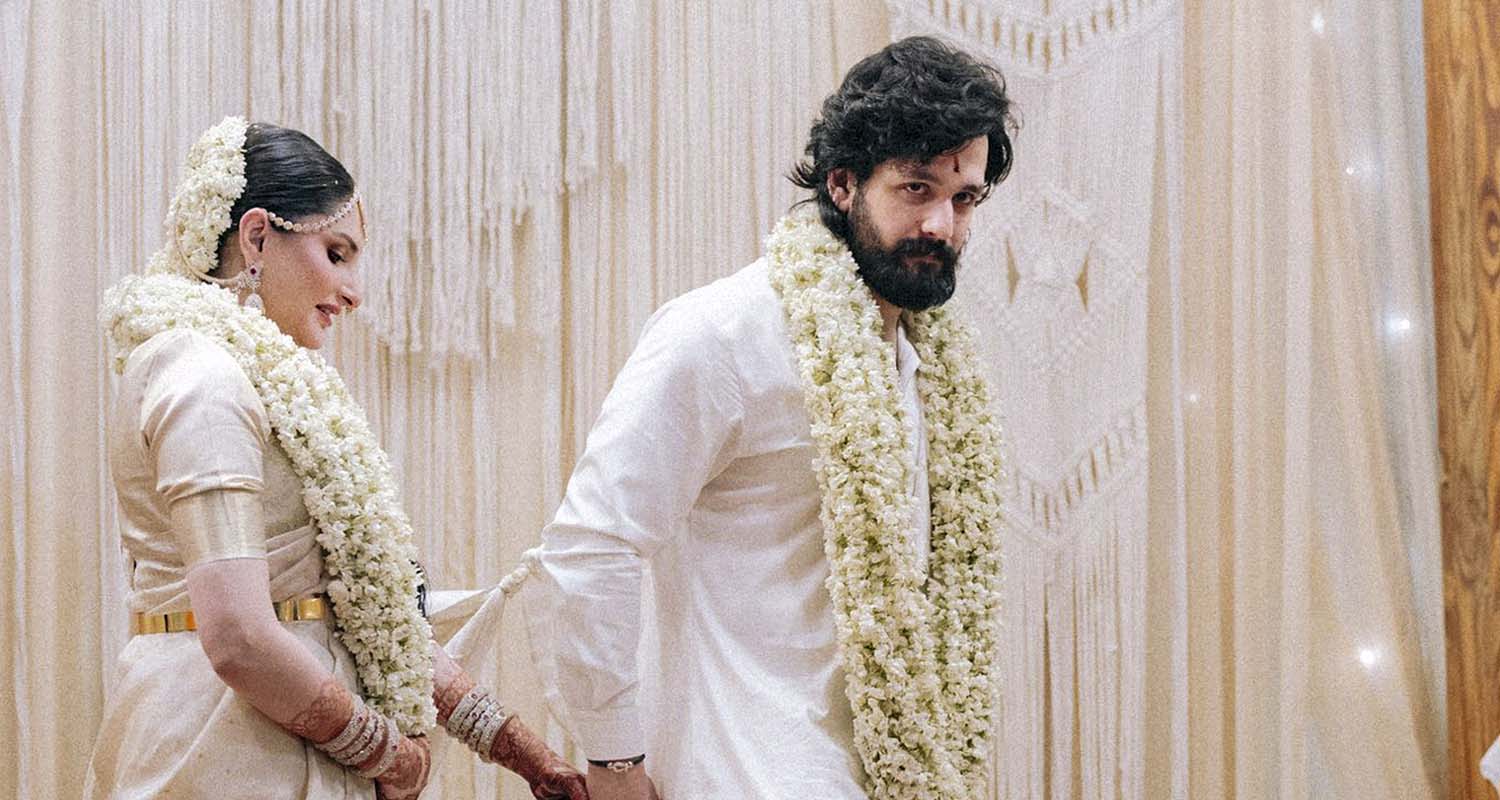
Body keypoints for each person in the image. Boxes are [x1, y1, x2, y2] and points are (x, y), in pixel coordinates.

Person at [524, 36, 1014, 799]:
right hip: (745, 770)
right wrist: (614, 763)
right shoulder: (723, 332)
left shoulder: (931, 359)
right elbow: (594, 544)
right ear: (844, 184)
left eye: (965, 198)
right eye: (916, 189)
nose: (944, 226)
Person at [86, 117, 587, 800]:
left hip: (283, 738)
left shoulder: (273, 385)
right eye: (337, 251)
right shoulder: (201, 377)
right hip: (219, 743)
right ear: (258, 235)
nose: (355, 292)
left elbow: (361, 612)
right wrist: (390, 757)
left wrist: (523, 752)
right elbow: (238, 638)